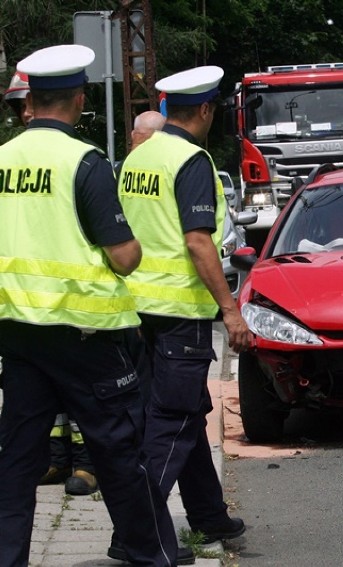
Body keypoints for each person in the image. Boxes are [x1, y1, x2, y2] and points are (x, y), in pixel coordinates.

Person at [0, 44, 181, 566]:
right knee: (119, 454)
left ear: (31, 101)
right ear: (79, 100)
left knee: (17, 460)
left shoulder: (4, 160)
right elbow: (123, 258)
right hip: (85, 332)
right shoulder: (85, 161)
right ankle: (149, 557)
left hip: (18, 333)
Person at [116, 65, 252, 552]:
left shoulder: (139, 157)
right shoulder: (191, 161)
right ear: (205, 109)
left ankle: (210, 517)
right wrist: (231, 310)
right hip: (179, 313)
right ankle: (138, 535)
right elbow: (198, 243)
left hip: (137, 310)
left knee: (185, 413)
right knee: (170, 424)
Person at [3, 70, 101, 497]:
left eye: (25, 103)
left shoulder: (77, 159)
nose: (22, 112)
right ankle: (58, 458)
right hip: (26, 311)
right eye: (14, 106)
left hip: (72, 310)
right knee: (43, 407)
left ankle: (84, 464)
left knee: (79, 406)